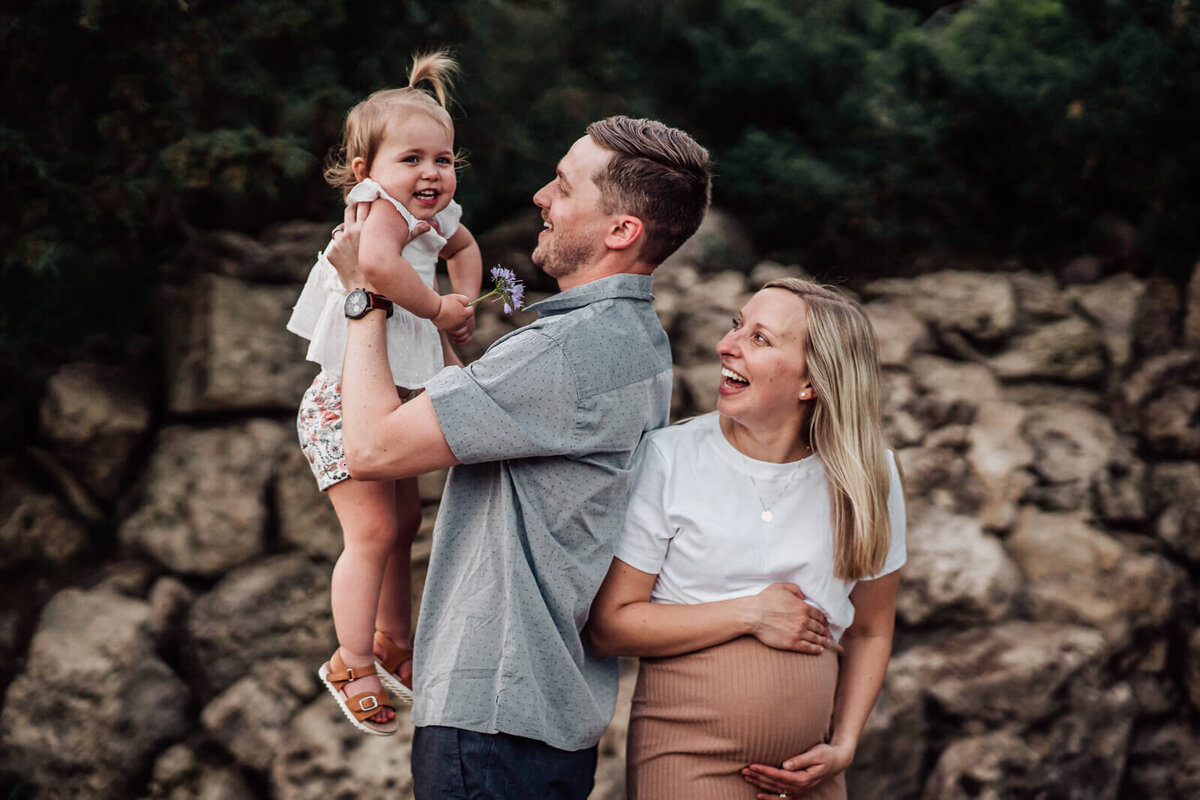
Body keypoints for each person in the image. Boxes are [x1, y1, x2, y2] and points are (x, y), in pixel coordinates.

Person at [323, 116, 712, 796]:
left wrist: (364, 294)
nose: (540, 196)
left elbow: (373, 447)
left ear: (621, 231)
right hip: (535, 715)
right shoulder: (628, 339)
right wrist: (430, 319)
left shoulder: (570, 352)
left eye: (563, 187)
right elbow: (453, 409)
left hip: (493, 720)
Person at [587, 278, 907, 799]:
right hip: (686, 760)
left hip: (814, 773)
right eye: (737, 324)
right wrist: (750, 614)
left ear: (812, 382)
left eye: (760, 338)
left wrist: (844, 746)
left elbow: (871, 630)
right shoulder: (669, 458)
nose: (725, 345)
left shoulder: (870, 477)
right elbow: (609, 626)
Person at [286, 51, 480, 736]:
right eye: (413, 159)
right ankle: (353, 660)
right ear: (366, 172)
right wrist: (436, 309)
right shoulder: (376, 212)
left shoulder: (430, 208)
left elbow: (467, 247)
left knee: (403, 528)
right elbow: (374, 267)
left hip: (387, 397)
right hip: (343, 402)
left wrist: (462, 294)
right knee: (370, 533)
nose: (431, 174)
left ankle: (394, 641)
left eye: (444, 159)